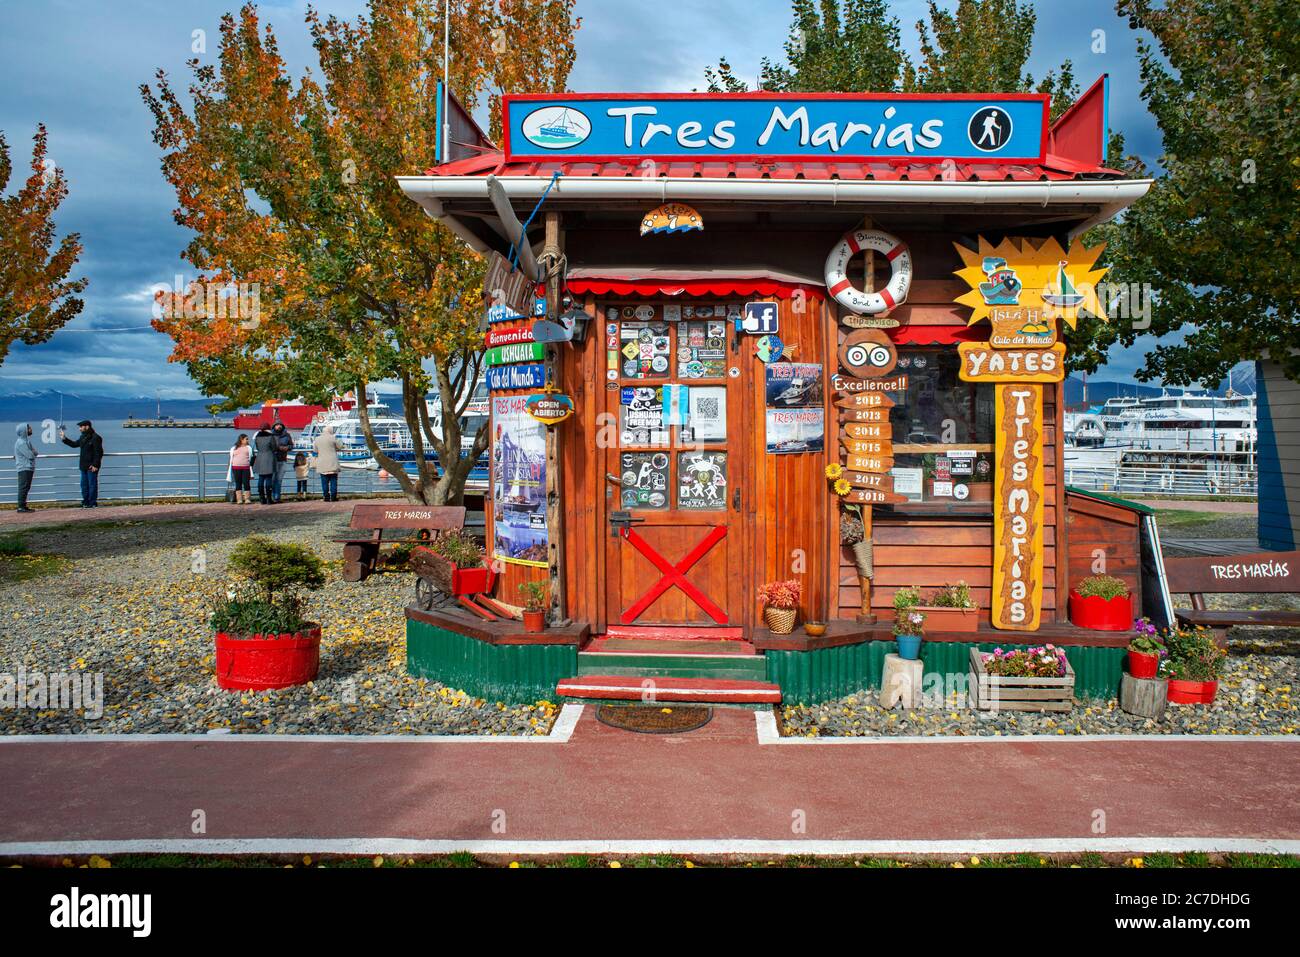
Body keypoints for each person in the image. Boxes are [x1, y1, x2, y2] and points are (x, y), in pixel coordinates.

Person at [60, 419, 103, 508]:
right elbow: (74, 444)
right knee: (84, 485)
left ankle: (92, 502)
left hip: (92, 466)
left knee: (92, 485)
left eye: (81, 427)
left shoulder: (96, 438)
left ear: (87, 426)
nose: (79, 429)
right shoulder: (83, 437)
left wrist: (95, 464)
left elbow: (99, 453)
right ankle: (85, 502)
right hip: (83, 466)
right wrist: (64, 439)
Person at [313, 425, 343, 502]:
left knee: (324, 482)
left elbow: (315, 450)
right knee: (333, 481)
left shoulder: (317, 439)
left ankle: (326, 497)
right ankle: (333, 497)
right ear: (330, 431)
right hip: (332, 462)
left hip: (322, 463)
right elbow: (340, 446)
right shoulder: (333, 438)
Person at [13, 423, 37, 513]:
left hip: (27, 467)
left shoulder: (26, 441)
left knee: (26, 487)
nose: (31, 429)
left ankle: (23, 505)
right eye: (29, 428)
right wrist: (33, 451)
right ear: (24, 431)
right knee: (23, 487)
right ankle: (21, 507)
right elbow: (31, 455)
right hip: (24, 467)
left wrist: (33, 452)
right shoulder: (21, 443)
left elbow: (35, 453)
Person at [252, 424, 277, 505]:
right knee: (269, 478)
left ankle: (262, 498)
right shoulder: (271, 437)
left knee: (261, 478)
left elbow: (258, 448)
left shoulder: (257, 437)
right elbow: (274, 447)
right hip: (269, 458)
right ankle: (269, 499)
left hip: (260, 458)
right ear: (268, 429)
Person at [271, 422, 294, 503]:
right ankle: (273, 496)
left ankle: (277, 497)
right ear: (274, 426)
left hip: (283, 459)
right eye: (277, 425)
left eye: (280, 425)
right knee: (273, 479)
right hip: (273, 460)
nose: (279, 426)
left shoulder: (287, 435)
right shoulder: (271, 435)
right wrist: (279, 448)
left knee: (279, 479)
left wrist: (284, 448)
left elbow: (291, 446)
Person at [229, 434, 252, 504]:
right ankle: (239, 499)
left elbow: (251, 457)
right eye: (246, 439)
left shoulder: (249, 448)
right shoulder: (234, 448)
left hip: (246, 467)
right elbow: (231, 457)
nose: (248, 440)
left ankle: (247, 498)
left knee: (246, 483)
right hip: (236, 467)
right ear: (241, 440)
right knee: (238, 483)